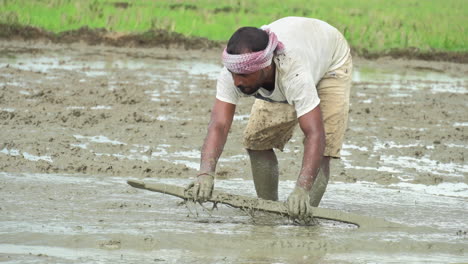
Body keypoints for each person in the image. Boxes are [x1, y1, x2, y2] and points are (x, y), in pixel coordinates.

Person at [186, 16, 352, 223]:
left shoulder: (294, 73)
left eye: (244, 76)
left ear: (265, 67)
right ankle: (268, 212)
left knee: (324, 148)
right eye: (233, 74)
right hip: (296, 56)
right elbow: (219, 125)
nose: (237, 82)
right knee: (257, 141)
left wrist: (302, 188)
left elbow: (314, 133)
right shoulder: (236, 70)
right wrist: (205, 173)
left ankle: (303, 213)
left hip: (330, 61)